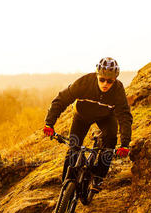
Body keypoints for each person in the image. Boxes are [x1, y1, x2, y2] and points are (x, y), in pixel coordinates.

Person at [43, 57, 133, 192]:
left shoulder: (118, 90)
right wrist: (49, 123)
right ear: (97, 75)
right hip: (82, 116)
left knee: (110, 141)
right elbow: (61, 100)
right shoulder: (84, 82)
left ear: (115, 80)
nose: (105, 84)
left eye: (110, 81)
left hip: (105, 117)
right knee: (73, 148)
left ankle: (98, 177)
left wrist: (125, 144)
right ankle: (66, 185)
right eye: (102, 79)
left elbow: (124, 117)